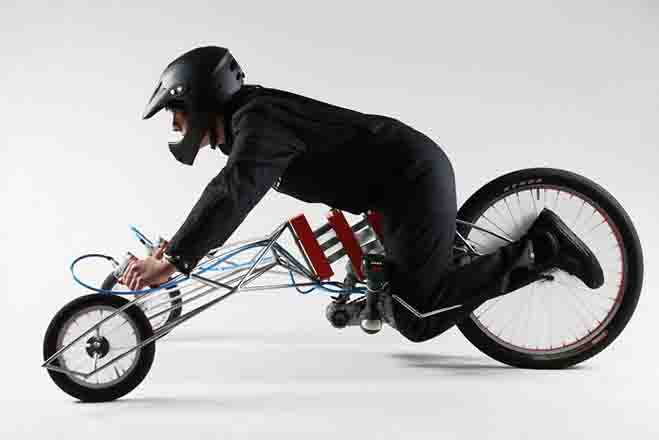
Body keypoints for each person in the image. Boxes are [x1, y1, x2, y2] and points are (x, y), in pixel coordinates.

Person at [121, 46, 604, 342]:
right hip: (392, 191)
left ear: (201, 101)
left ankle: (543, 248)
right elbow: (231, 191)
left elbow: (233, 193)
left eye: (177, 115)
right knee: (397, 290)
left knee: (417, 314)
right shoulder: (253, 120)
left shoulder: (258, 123)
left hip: (412, 180)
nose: (177, 127)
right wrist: (180, 248)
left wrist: (176, 259)